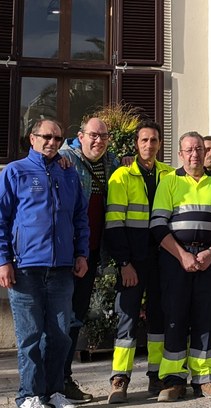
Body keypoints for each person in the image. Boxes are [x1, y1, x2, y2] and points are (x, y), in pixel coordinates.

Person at [0, 119, 89, 408]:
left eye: (58, 139)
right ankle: (29, 395)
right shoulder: (15, 172)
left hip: (62, 268)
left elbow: (80, 217)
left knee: (61, 335)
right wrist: (3, 261)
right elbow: (1, 219)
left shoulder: (68, 173)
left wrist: (81, 253)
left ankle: (54, 393)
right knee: (29, 337)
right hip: (25, 268)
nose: (52, 142)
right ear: (32, 138)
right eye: (47, 137)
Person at [150, 132, 211, 401]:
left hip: (210, 259)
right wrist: (182, 255)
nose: (195, 154)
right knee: (175, 317)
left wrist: (210, 252)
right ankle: (174, 380)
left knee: (206, 317)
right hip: (176, 261)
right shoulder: (169, 181)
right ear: (180, 154)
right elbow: (158, 225)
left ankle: (205, 379)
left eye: (199, 148)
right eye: (189, 149)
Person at [104, 121, 174, 403]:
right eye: (144, 140)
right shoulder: (121, 176)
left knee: (159, 318)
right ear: (136, 143)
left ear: (159, 144)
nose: (149, 145)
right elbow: (114, 224)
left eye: (154, 140)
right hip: (133, 261)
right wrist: (124, 262)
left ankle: (155, 376)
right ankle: (119, 378)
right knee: (127, 318)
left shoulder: (170, 175)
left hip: (162, 261)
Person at [58, 116, 119, 403]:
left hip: (91, 253)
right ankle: (54, 381)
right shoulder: (62, 160)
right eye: (93, 135)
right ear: (80, 136)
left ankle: (63, 379)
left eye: (104, 137)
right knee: (59, 319)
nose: (99, 141)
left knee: (75, 318)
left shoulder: (111, 163)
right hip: (63, 255)